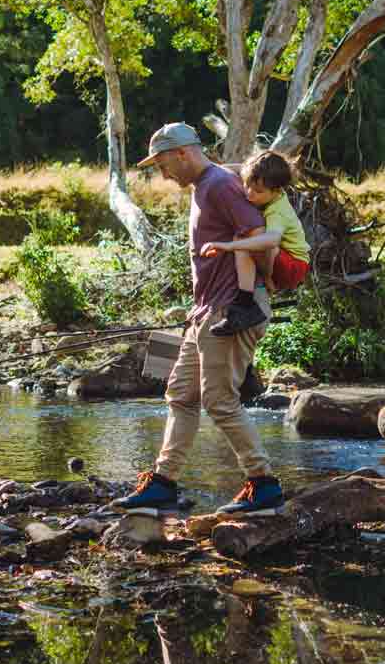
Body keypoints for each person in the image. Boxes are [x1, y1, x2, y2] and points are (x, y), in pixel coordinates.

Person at [116, 122, 284, 517]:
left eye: (163, 164)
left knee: (220, 400)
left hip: (231, 310)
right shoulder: (204, 186)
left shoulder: (219, 185)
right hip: (206, 312)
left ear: (183, 154)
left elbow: (257, 234)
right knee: (181, 394)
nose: (162, 174)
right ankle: (162, 483)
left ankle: (264, 484)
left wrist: (259, 290)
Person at [201, 150, 310, 337]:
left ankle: (244, 304)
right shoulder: (260, 182)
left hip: (295, 266)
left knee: (244, 239)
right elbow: (236, 169)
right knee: (250, 238)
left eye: (258, 191)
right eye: (246, 186)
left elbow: (272, 240)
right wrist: (211, 171)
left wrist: (229, 247)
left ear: (276, 190)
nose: (249, 194)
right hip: (283, 260)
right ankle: (250, 295)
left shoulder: (278, 211)